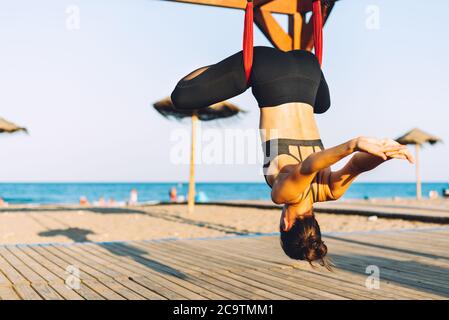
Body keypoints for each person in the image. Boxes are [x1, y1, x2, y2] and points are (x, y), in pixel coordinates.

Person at [171, 46, 414, 268]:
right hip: (267, 70)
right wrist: (352, 144)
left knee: (322, 106)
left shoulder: (329, 191)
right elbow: (307, 167)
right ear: (285, 225)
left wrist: (385, 154)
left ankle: (294, 50)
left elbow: (357, 165)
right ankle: (223, 71)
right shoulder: (284, 195)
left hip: (309, 68)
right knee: (181, 97)